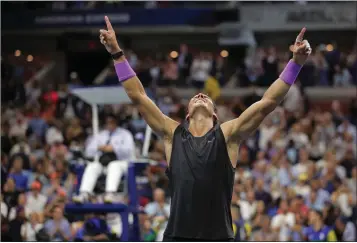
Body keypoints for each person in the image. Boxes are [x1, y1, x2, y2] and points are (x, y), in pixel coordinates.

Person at [99, 16, 311, 241]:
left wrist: (295, 63)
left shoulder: (228, 135)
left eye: (206, 97)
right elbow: (138, 96)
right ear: (187, 114)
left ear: (215, 115)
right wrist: (116, 52)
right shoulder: (173, 134)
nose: (200, 95)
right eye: (195, 96)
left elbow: (267, 103)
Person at [74, 114, 136, 203]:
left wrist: (114, 148)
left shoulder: (125, 134)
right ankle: (84, 194)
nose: (109, 124)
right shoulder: (101, 135)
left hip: (121, 163)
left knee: (114, 165)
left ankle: (110, 193)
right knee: (93, 166)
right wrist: (99, 148)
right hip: (104, 163)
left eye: (111, 122)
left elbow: (129, 150)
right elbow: (89, 151)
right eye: (108, 122)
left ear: (116, 122)